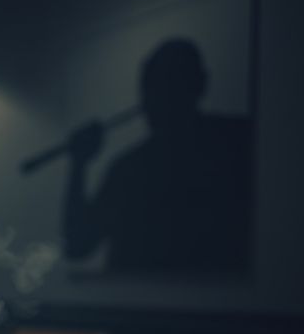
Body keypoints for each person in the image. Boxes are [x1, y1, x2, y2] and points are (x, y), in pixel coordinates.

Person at [63, 39, 253, 278]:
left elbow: (78, 245)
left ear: (199, 84)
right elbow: (78, 245)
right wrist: (79, 163)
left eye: (168, 83)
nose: (153, 97)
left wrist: (78, 164)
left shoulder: (237, 142)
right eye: (149, 86)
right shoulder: (128, 170)